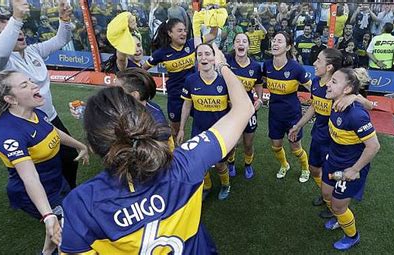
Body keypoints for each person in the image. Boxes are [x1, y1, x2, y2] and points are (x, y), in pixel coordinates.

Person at [59, 45, 254, 254]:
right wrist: (223, 65)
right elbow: (244, 108)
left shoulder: (81, 206)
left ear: (94, 145)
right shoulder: (186, 163)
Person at [0, 71, 89, 255]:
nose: (34, 85)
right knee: (68, 233)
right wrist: (47, 215)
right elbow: (30, 177)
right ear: (11, 99)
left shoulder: (35, 113)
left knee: (67, 225)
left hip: (56, 182)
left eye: (30, 80)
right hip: (35, 192)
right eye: (24, 85)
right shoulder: (7, 134)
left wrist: (80, 146)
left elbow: (51, 131)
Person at [0, 0, 80, 189]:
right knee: (43, 169)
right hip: (25, 125)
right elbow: (0, 54)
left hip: (50, 118)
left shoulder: (32, 51)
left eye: (19, 28)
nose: (20, 32)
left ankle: (70, 193)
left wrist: (64, 21)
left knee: (69, 157)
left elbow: (60, 40)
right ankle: (51, 204)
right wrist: (16, 18)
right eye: (10, 30)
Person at [289, 48, 373, 218]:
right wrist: (298, 125)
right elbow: (314, 105)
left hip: (336, 142)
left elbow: (369, 106)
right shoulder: (316, 83)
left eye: (318, 60)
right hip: (319, 135)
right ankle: (327, 195)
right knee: (314, 169)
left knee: (336, 179)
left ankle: (334, 204)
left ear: (328, 67)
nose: (314, 63)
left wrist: (354, 97)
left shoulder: (342, 89)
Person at [321, 67, 380, 250]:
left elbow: (374, 146)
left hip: (350, 166)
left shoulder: (356, 115)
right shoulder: (336, 102)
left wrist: (354, 170)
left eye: (334, 81)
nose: (328, 83)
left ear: (347, 89)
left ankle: (352, 236)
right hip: (333, 159)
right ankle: (340, 218)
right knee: (326, 195)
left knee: (339, 206)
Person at [176, 43, 232, 200]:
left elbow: (234, 107)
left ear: (214, 57)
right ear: (196, 59)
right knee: (201, 163)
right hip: (199, 130)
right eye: (200, 54)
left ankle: (226, 184)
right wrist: (181, 129)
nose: (203, 57)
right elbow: (187, 105)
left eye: (207, 53)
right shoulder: (191, 81)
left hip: (220, 131)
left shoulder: (224, 81)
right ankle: (207, 186)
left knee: (220, 164)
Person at [143, 18, 217, 137]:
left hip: (194, 93)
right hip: (175, 95)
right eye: (179, 31)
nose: (184, 33)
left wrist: (214, 21)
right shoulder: (162, 52)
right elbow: (143, 68)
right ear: (170, 33)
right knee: (175, 131)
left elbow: (213, 34)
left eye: (185, 30)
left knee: (205, 125)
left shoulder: (193, 43)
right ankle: (175, 153)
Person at [263, 31, 312, 183]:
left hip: (292, 115)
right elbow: (260, 81)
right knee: (276, 146)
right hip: (274, 114)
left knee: (295, 148)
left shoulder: (296, 68)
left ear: (288, 47)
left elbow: (312, 88)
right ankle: (284, 165)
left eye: (280, 41)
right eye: (274, 40)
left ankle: (305, 168)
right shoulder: (267, 65)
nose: (275, 43)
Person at [225, 33, 263, 178]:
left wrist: (259, 99)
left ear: (248, 46)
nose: (241, 43)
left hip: (248, 109)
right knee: (232, 142)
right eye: (238, 41)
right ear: (234, 45)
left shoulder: (255, 66)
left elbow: (259, 84)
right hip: (229, 109)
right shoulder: (226, 61)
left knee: (248, 143)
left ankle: (248, 165)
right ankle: (231, 163)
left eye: (244, 41)